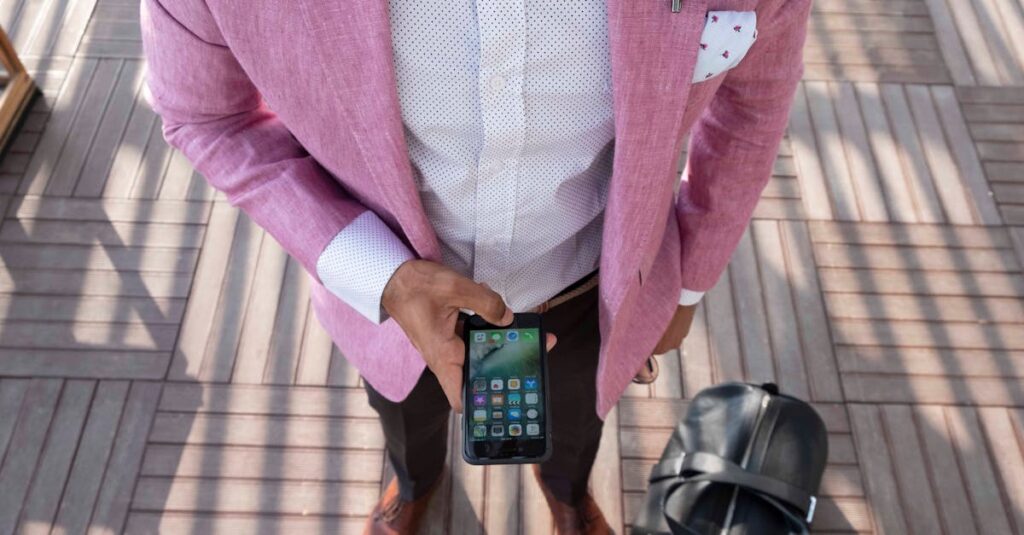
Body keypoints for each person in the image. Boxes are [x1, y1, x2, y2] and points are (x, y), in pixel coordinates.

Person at [140, 0, 811, 533]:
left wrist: (688, 284)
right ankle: (414, 481)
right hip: (390, 302)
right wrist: (377, 274)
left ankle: (569, 500)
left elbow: (752, 101)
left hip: (595, 294)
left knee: (577, 429)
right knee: (405, 417)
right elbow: (206, 114)